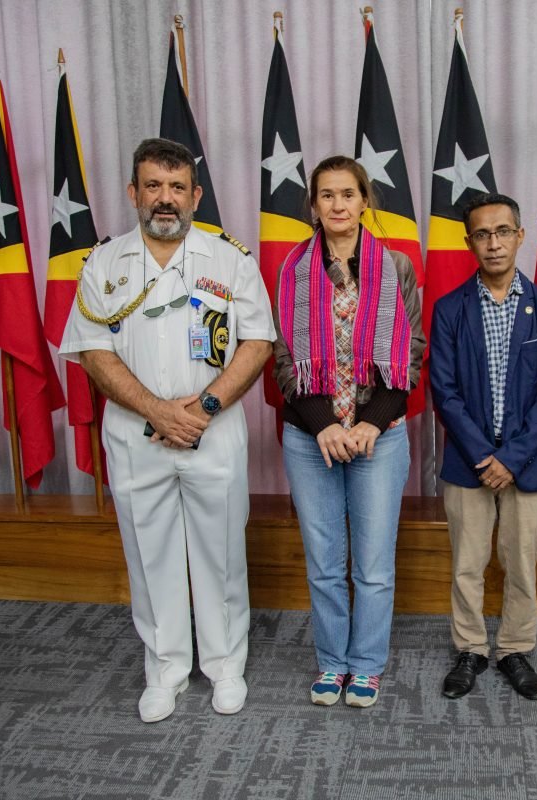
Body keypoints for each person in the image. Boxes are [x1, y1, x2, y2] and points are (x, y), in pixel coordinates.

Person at [59, 138, 274, 721]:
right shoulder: (104, 263)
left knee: (220, 552)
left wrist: (201, 408)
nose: (165, 198)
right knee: (149, 555)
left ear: (195, 195)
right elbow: (92, 351)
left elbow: (258, 342)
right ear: (134, 192)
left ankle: (225, 665)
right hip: (137, 435)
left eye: (177, 187)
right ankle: (166, 669)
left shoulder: (229, 259)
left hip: (214, 430)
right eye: (153, 185)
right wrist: (156, 410)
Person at [272, 155, 425, 708]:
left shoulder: (396, 267)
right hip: (309, 437)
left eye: (348, 194)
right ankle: (332, 662)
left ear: (364, 200)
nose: (338, 204)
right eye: (327, 195)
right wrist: (322, 426)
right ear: (313, 205)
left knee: (374, 566)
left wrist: (369, 422)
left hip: (377, 436)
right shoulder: (292, 269)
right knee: (324, 563)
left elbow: (412, 353)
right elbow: (283, 357)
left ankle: (366, 665)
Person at [429, 193, 537, 701]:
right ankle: (470, 648)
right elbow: (444, 391)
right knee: (467, 564)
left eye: (503, 231)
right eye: (483, 234)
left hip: (527, 463)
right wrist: (482, 455)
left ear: (520, 236)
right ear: (469, 242)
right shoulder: (450, 309)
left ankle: (514, 649)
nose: (494, 243)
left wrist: (510, 458)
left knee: (520, 563)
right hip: (468, 462)